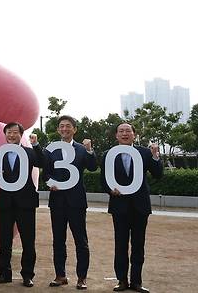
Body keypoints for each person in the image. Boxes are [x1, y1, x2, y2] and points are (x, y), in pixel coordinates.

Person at [100, 123, 163, 293]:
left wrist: (156, 157)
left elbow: (158, 175)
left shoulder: (144, 152)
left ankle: (136, 281)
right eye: (121, 131)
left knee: (138, 245)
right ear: (116, 135)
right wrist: (110, 190)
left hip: (140, 206)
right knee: (120, 245)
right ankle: (121, 280)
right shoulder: (108, 154)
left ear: (134, 134)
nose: (125, 133)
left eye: (128, 131)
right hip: (119, 206)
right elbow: (103, 181)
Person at [37, 115, 97, 290]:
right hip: (57, 201)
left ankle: (82, 277)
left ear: (74, 129)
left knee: (81, 241)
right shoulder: (51, 149)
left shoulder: (81, 148)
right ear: (58, 130)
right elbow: (45, 173)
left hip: (77, 201)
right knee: (58, 240)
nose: (64, 129)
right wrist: (51, 184)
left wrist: (90, 151)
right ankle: (60, 275)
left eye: (68, 126)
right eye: (61, 126)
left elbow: (93, 167)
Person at [0, 122, 44, 288]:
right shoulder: (0, 153)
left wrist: (36, 145)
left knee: (28, 241)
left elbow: (42, 162)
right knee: (4, 240)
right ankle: (4, 274)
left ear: (21, 135)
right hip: (6, 203)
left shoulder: (29, 152)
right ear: (5, 134)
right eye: (9, 132)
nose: (12, 135)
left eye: (15, 132)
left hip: (26, 203)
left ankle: (27, 275)